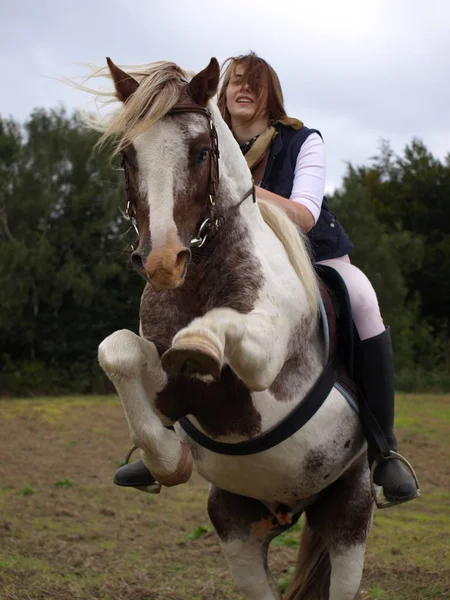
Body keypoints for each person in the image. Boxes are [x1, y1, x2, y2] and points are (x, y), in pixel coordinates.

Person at [115, 53, 419, 506]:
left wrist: (240, 186)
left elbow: (304, 214)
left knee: (363, 299)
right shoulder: (204, 135)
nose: (243, 90)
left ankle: (384, 449)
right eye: (235, 82)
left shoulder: (302, 140)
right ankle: (161, 436)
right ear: (222, 90)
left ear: (269, 95)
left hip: (312, 257)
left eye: (254, 85)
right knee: (168, 305)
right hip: (232, 263)